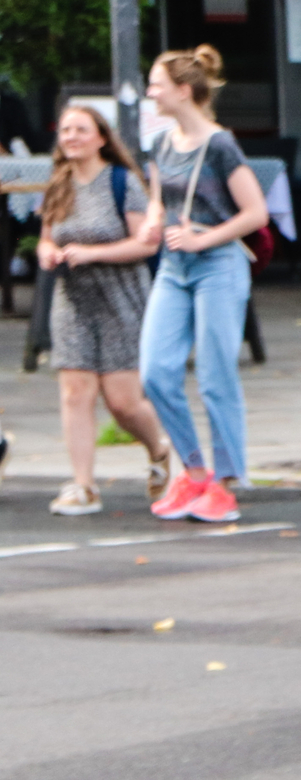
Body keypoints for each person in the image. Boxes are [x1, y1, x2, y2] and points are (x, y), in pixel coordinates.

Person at [139, 45, 270, 524]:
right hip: (174, 267)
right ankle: (194, 470)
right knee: (155, 371)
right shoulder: (160, 143)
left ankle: (226, 481)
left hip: (217, 264)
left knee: (216, 375)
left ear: (183, 91)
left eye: (156, 84)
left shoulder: (220, 145)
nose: (150, 91)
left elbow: (255, 212)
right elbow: (158, 199)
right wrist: (152, 223)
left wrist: (203, 238)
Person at [38, 102, 175, 516]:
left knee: (123, 403)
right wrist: (48, 253)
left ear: (101, 137)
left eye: (80, 130)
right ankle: (84, 486)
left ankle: (160, 449)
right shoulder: (58, 183)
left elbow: (146, 243)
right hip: (73, 301)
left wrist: (95, 253)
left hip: (121, 298)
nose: (71, 137)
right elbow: (47, 237)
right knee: (75, 392)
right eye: (65, 131)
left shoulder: (122, 182)